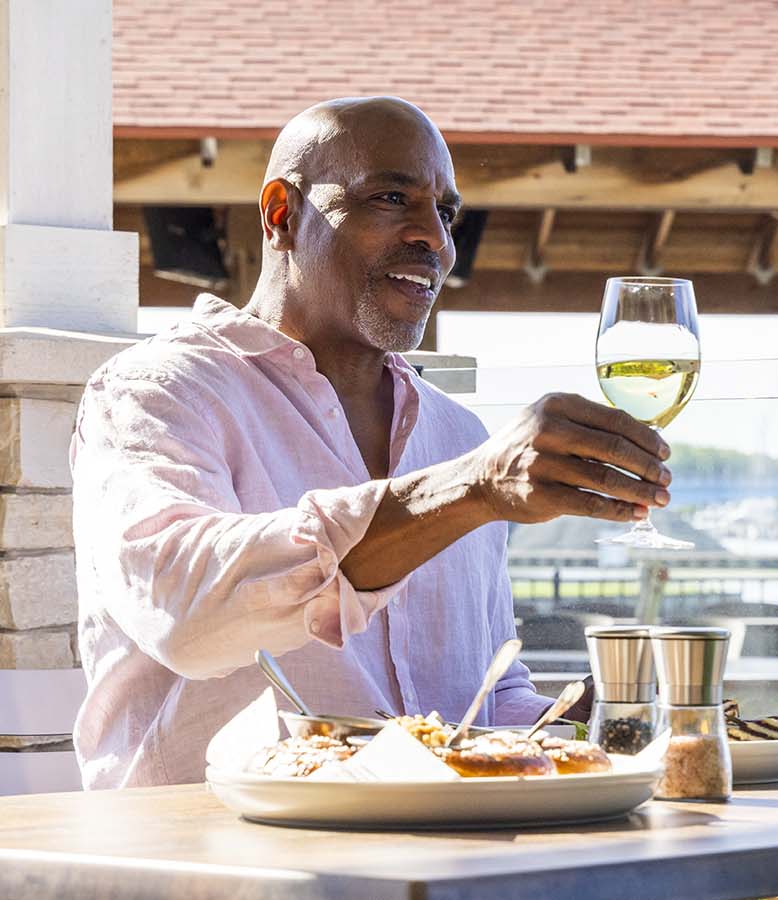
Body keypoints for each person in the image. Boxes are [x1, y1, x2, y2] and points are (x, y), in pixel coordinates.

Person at [70, 97, 671, 788]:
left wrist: (599, 724)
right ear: (280, 215)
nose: (436, 242)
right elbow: (185, 612)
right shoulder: (153, 391)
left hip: (428, 859)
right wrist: (467, 489)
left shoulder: (458, 434)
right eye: (392, 198)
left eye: (445, 213)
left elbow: (487, 697)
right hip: (208, 862)